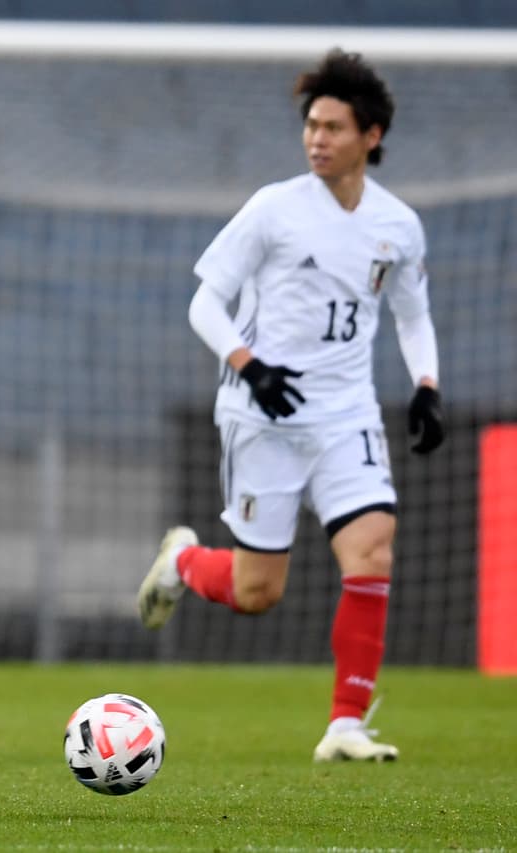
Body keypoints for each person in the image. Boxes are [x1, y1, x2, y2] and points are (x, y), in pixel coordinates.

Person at [136, 49, 446, 763]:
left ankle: (345, 724)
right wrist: (251, 366)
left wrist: (426, 385)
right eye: (311, 124)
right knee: (257, 591)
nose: (317, 138)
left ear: (370, 136)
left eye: (334, 127)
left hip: (346, 417)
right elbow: (205, 303)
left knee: (372, 550)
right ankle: (184, 562)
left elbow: (413, 315)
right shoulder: (274, 209)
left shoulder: (398, 225)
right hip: (262, 417)